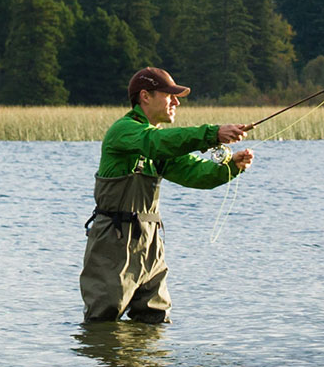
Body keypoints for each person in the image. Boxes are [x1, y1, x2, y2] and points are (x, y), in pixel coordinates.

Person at [82, 66, 253, 324]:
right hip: (114, 242)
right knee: (103, 320)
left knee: (155, 318)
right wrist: (212, 134)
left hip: (151, 243)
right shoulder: (124, 130)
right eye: (169, 95)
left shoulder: (157, 140)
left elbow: (193, 172)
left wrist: (230, 168)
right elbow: (156, 143)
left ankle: (150, 366)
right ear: (145, 96)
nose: (176, 102)